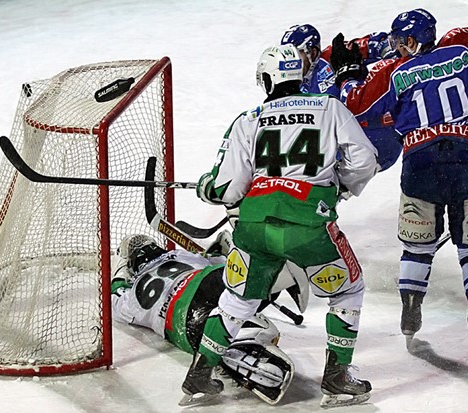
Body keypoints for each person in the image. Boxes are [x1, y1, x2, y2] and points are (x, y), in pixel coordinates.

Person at [182, 43, 378, 408]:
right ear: (300, 75)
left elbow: (228, 187)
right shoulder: (330, 108)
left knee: (237, 301)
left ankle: (199, 376)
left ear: (267, 79)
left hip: (254, 226)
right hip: (306, 225)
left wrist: (207, 187)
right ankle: (336, 379)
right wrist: (341, 185)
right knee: (348, 291)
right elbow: (364, 160)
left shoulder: (249, 118)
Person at [329, 1, 468, 357]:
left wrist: (347, 73)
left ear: (413, 40)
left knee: (418, 246)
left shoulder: (392, 71)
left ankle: (411, 308)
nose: (398, 46)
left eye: (402, 40)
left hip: (420, 163)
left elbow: (351, 103)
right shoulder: (460, 46)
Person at [110, 233, 295, 405]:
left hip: (183, 320)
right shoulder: (182, 254)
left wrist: (120, 270)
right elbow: (226, 257)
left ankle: (233, 349)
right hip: (211, 281)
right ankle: (281, 283)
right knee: (253, 281)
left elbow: (114, 295)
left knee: (205, 335)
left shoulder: (133, 297)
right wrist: (220, 247)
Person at [281, 24, 403, 171]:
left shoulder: (333, 55)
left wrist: (389, 48)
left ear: (312, 52)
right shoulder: (292, 83)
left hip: (379, 137)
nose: (290, 61)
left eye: (295, 54)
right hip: (346, 145)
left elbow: (382, 44)